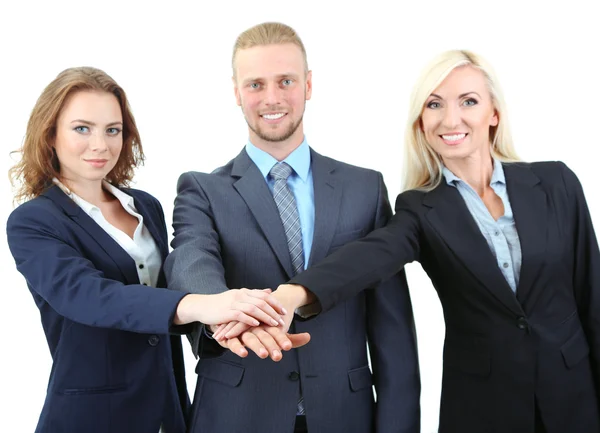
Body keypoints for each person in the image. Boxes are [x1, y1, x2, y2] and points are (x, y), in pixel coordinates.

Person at [244, 49, 600, 433]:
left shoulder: (555, 183)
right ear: (421, 123)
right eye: (434, 105)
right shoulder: (420, 208)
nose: (451, 119)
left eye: (468, 101)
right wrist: (293, 294)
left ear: (493, 114)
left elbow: (592, 300)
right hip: (484, 408)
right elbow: (369, 257)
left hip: (573, 398)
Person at [164, 22, 420, 433]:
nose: (272, 98)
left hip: (344, 416)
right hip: (237, 415)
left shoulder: (364, 188)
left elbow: (393, 332)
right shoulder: (203, 189)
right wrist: (222, 311)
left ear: (309, 84)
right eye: (255, 84)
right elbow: (191, 259)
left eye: (286, 81)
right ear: (235, 92)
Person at [6, 66, 286, 433]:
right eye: (81, 128)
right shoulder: (33, 220)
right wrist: (202, 304)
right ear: (50, 135)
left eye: (113, 130)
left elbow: (165, 296)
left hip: (166, 409)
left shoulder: (144, 206)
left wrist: (230, 322)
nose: (100, 145)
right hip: (92, 418)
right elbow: (90, 297)